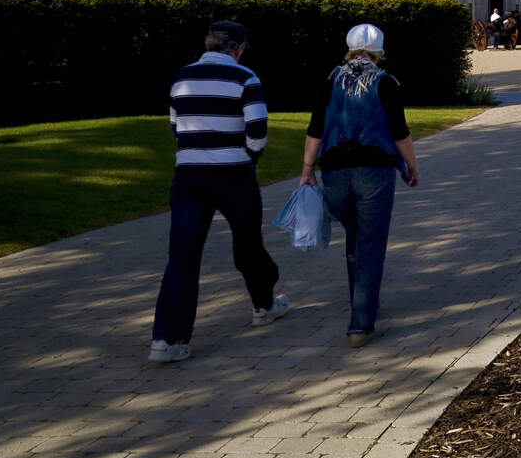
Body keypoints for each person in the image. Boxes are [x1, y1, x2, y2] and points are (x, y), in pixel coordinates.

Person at [149, 20, 288, 364]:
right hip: (233, 173)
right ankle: (264, 304)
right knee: (248, 245)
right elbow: (257, 128)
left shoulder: (182, 77)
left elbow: (174, 126)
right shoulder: (245, 78)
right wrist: (249, 159)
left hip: (189, 175)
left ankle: (167, 340)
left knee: (182, 257)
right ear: (237, 48)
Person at [299, 23, 420, 348]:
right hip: (374, 170)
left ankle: (362, 302)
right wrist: (412, 165)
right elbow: (399, 131)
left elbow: (315, 129)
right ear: (379, 51)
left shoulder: (329, 81)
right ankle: (361, 323)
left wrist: (307, 170)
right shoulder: (386, 82)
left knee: (355, 237)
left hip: (335, 170)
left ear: (349, 48)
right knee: (370, 242)